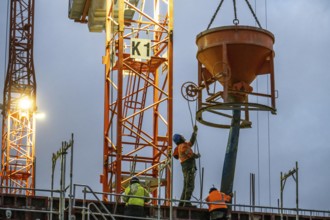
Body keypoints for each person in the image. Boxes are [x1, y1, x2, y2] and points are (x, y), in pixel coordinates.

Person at [173, 125, 200, 207]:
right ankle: (186, 203)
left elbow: (191, 142)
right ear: (180, 139)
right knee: (190, 185)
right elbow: (190, 154)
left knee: (186, 185)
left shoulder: (180, 146)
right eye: (182, 137)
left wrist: (194, 133)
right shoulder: (183, 146)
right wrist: (197, 155)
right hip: (188, 167)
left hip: (185, 167)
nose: (183, 137)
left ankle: (182, 203)